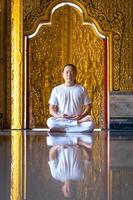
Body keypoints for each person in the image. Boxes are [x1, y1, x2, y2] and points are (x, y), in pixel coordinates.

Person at [47, 64, 94, 133]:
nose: (69, 74)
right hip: (62, 120)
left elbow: (88, 106)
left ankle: (65, 130)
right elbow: (51, 109)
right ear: (63, 74)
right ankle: (74, 128)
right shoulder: (56, 89)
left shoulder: (82, 89)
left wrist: (81, 116)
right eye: (67, 72)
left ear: (75, 74)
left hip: (77, 119)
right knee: (50, 121)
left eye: (72, 72)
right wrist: (59, 116)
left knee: (90, 125)